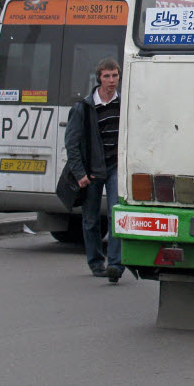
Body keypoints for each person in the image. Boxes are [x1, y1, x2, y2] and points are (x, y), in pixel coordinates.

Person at [64, 57, 124, 283]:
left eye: (115, 75)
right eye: (107, 76)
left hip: (116, 167)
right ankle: (96, 263)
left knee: (115, 215)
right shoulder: (84, 107)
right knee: (90, 220)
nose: (111, 80)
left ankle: (116, 264)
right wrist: (79, 173)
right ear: (99, 78)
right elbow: (72, 142)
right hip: (92, 171)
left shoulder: (123, 104)